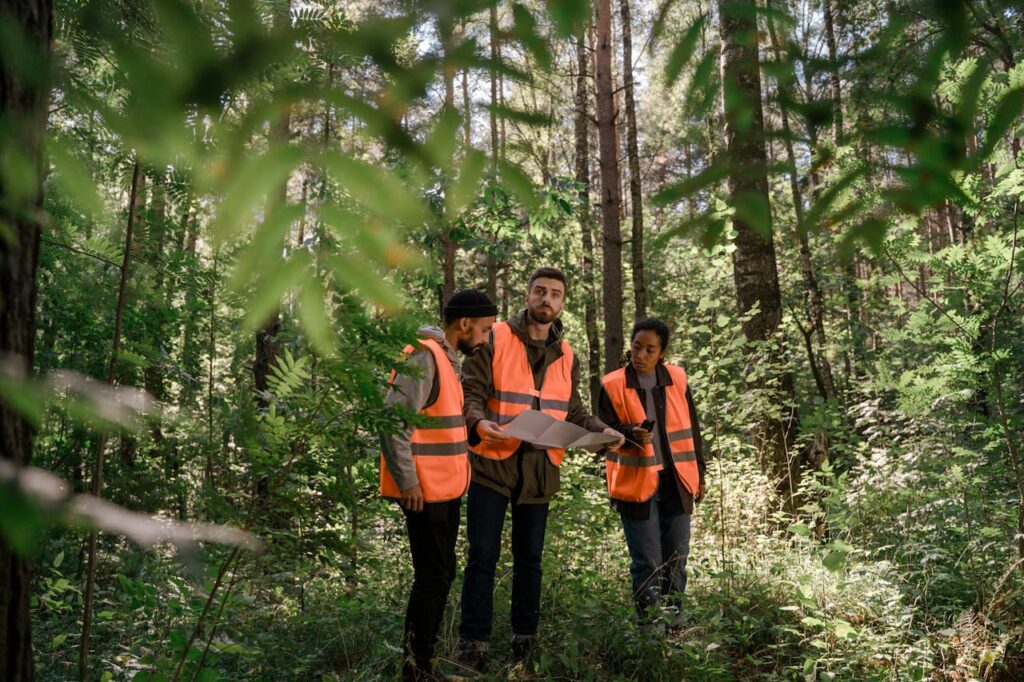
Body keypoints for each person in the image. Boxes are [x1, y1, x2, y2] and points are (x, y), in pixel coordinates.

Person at [457, 267, 624, 670]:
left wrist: (605, 431)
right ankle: (473, 645)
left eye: (555, 294)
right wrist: (478, 424)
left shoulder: (567, 354)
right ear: (527, 296)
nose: (546, 299)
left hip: (540, 470)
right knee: (483, 555)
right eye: (540, 292)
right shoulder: (494, 337)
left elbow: (575, 411)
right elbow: (471, 394)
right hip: (492, 465)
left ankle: (524, 644)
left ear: (562, 302)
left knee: (530, 558)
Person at [380, 289, 498, 681]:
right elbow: (393, 422)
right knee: (432, 577)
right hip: (423, 492)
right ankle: (415, 671)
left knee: (442, 573)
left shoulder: (445, 359)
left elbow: (443, 424)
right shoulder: (424, 356)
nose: (483, 339)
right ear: (464, 323)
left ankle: (422, 666)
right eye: (483, 330)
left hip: (444, 489)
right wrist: (408, 481)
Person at [598, 317, 708, 628]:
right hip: (636, 486)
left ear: (662, 352)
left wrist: (700, 473)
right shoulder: (611, 384)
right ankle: (650, 631)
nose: (641, 355)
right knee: (647, 563)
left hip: (678, 480)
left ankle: (675, 625)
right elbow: (602, 432)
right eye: (636, 347)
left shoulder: (677, 379)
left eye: (650, 350)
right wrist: (629, 433)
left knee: (676, 559)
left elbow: (693, 429)